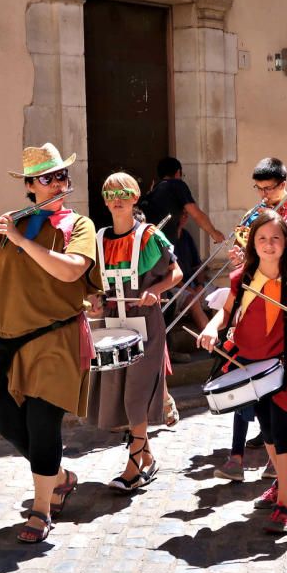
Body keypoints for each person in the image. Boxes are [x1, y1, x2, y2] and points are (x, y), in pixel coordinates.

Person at [0, 143, 101, 543]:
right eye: (48, 178)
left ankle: (41, 509)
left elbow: (73, 271)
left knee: (42, 424)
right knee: (7, 423)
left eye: (62, 176)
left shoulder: (79, 225)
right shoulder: (9, 228)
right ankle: (58, 476)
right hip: (9, 341)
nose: (58, 183)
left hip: (55, 339)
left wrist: (22, 241)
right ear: (30, 186)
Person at [197, 209, 287, 533]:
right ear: (253, 243)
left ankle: (286, 502)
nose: (269, 245)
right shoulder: (242, 278)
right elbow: (226, 314)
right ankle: (283, 485)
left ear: (285, 242)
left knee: (283, 434)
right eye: (262, 239)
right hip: (248, 367)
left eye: (275, 238)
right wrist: (212, 329)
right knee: (267, 431)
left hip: (282, 368)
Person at [86, 172, 183, 491]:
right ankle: (147, 458)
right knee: (123, 392)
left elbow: (176, 273)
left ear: (135, 198)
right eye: (109, 194)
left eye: (123, 193)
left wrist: (155, 289)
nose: (116, 199)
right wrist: (96, 302)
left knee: (135, 395)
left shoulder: (150, 236)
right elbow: (95, 287)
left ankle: (132, 466)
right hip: (114, 324)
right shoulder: (98, 239)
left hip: (146, 324)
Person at [141, 156, 225, 243]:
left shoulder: (153, 190)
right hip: (160, 244)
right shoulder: (177, 185)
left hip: (148, 244)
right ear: (178, 172)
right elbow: (196, 214)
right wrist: (214, 233)